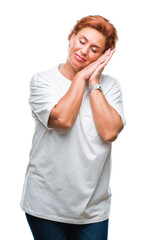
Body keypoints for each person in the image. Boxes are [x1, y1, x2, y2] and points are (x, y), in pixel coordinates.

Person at [20, 15, 126, 240]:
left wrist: (93, 82)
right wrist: (80, 79)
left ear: (103, 57)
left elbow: (109, 132)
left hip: (93, 210)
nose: (85, 50)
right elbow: (62, 120)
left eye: (95, 49)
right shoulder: (43, 81)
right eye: (82, 41)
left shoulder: (110, 86)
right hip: (45, 205)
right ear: (71, 38)